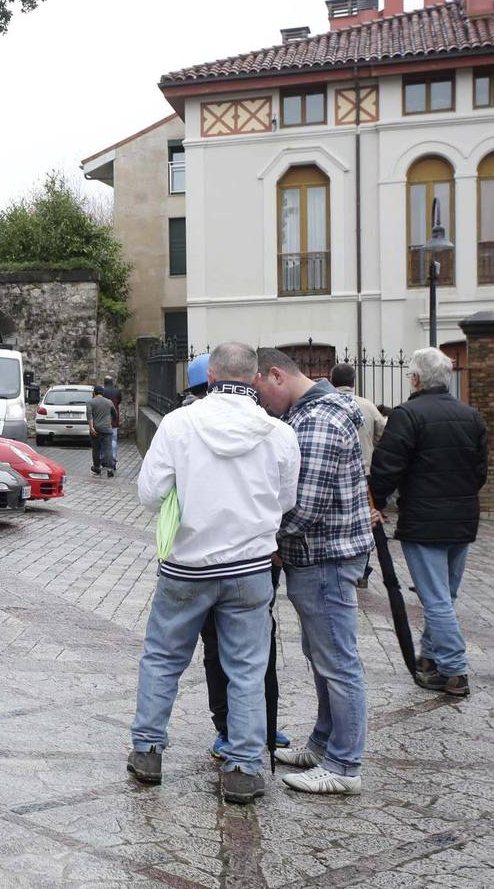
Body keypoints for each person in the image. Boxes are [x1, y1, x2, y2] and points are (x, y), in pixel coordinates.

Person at [130, 342, 300, 805]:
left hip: (187, 565)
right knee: (246, 668)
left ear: (210, 377)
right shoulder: (277, 433)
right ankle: (243, 768)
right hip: (249, 568)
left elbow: (148, 493)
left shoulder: (179, 424)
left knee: (163, 658)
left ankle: (148, 750)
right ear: (255, 378)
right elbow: (286, 501)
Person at [255, 347, 373, 795]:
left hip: (324, 556)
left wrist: (269, 540)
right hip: (320, 556)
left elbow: (306, 506)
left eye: (260, 390)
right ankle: (324, 745)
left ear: (276, 375)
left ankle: (344, 765)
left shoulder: (318, 420)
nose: (261, 402)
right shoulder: (310, 414)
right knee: (323, 657)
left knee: (337, 661)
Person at [369, 348, 488, 698]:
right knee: (445, 595)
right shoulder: (471, 416)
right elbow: (479, 471)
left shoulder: (408, 415)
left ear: (417, 379)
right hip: (463, 518)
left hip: (424, 520)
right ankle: (431, 657)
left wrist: (376, 501)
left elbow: (387, 468)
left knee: (435, 598)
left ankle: (453, 669)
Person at [330, 363, 386, 588]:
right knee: (366, 520)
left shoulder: (326, 404)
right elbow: (384, 434)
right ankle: (362, 568)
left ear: (331, 379)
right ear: (354, 381)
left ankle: (338, 562)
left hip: (333, 474)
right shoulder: (368, 406)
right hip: (364, 473)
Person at [86, 386, 115, 477]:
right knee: (108, 449)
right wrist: (110, 422)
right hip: (107, 429)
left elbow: (89, 415)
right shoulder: (109, 402)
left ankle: (97, 467)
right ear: (103, 393)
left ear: (94, 393)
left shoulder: (90, 402)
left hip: (96, 429)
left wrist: (91, 428)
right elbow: (115, 414)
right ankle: (110, 469)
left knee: (96, 449)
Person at [102, 375, 122, 463]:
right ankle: (113, 459)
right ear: (112, 382)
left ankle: (103, 459)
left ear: (104, 382)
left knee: (103, 441)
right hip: (114, 420)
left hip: (103, 420)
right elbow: (119, 401)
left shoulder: (101, 392)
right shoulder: (117, 391)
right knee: (113, 440)